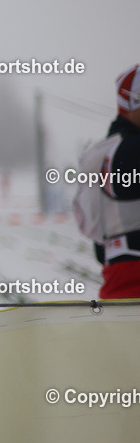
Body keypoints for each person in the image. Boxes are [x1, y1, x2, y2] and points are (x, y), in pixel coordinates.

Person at [74, 63, 140, 299]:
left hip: (118, 276)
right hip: (130, 278)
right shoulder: (125, 150)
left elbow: (94, 233)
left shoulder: (101, 151)